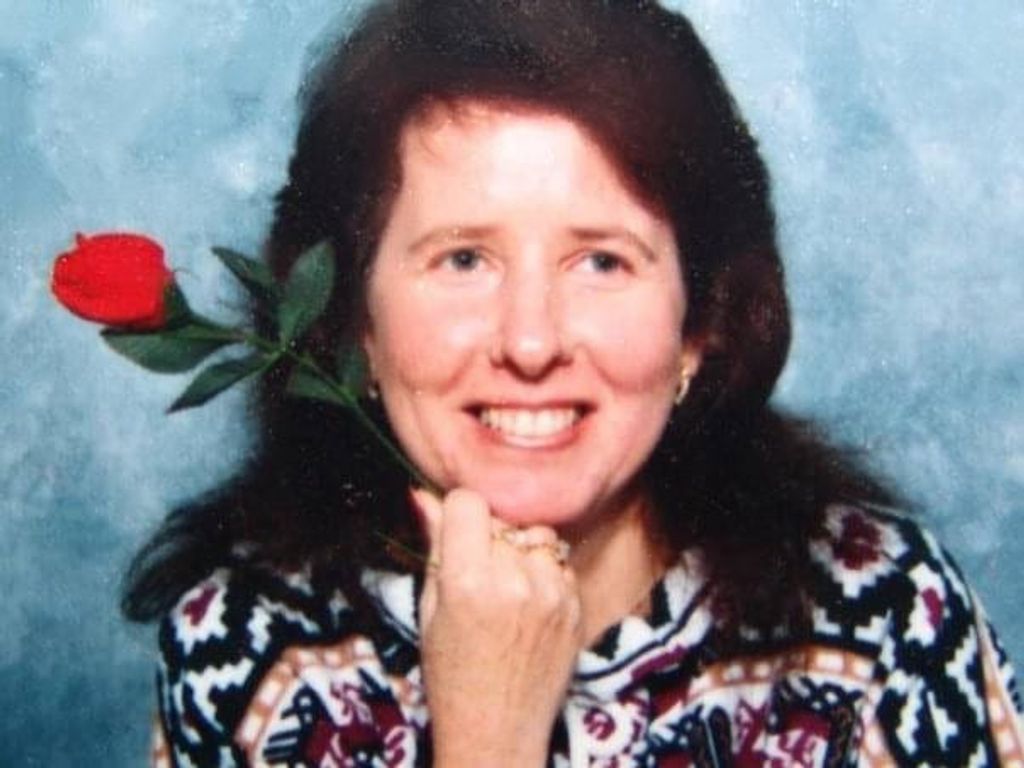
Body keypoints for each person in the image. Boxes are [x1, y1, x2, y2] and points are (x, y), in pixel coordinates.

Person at [124, 1, 1024, 766]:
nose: (530, 342)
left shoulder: (884, 618)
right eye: (464, 258)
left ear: (699, 323)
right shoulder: (244, 651)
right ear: (356, 313)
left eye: (601, 261)